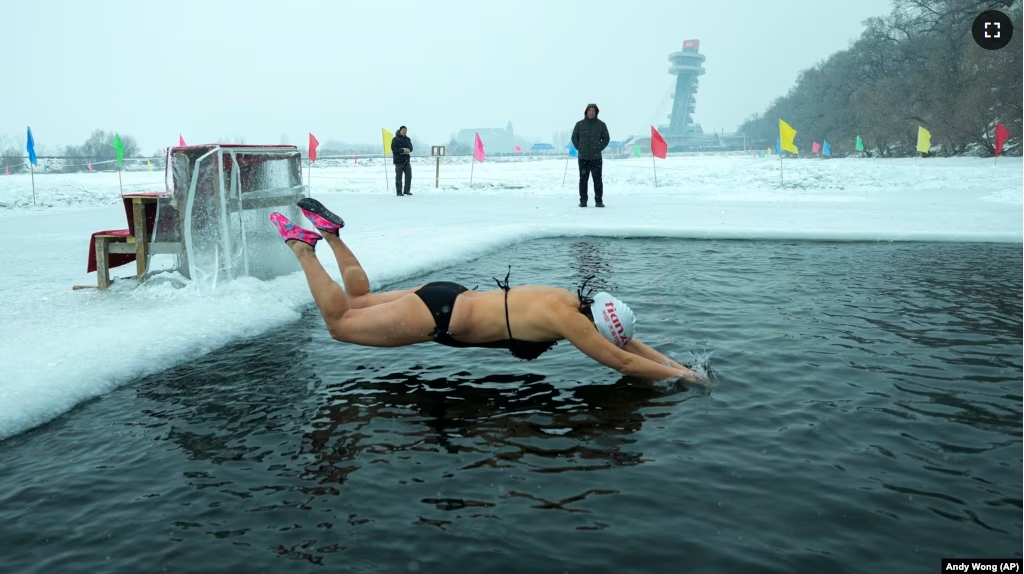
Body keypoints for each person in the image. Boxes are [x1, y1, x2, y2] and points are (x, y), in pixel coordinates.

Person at [267, 197, 701, 384]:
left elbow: (627, 343)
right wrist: (684, 377)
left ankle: (332, 235)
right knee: (341, 324)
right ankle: (303, 247)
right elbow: (623, 361)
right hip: (440, 317)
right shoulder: (570, 323)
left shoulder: (572, 300)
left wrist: (672, 361)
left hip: (448, 294)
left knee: (358, 301)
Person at [571, 103, 610, 208]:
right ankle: (583, 201)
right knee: (583, 180)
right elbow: (574, 137)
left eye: (593, 111)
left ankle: (599, 201)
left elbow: (606, 138)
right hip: (583, 157)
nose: (591, 112)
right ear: (586, 112)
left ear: (596, 112)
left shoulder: (601, 124)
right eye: (589, 110)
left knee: (597, 180)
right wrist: (580, 147)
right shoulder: (579, 124)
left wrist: (599, 147)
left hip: (596, 157)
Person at [391, 126, 413, 197]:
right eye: (403, 130)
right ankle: (399, 192)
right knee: (399, 177)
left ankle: (407, 191)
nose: (405, 131)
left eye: (406, 130)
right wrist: (403, 150)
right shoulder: (395, 139)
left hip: (406, 161)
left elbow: (411, 148)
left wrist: (408, 150)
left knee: (408, 176)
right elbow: (394, 150)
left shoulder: (408, 139)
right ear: (400, 131)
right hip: (398, 161)